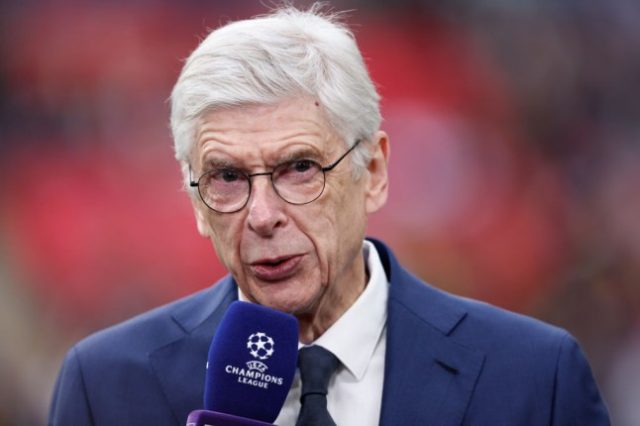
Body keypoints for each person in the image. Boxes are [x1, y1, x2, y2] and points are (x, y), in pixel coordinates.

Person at [48, 4, 610, 425]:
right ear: (195, 199)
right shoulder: (108, 386)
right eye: (227, 177)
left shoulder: (535, 377)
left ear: (374, 172)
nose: (263, 215)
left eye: (299, 167)